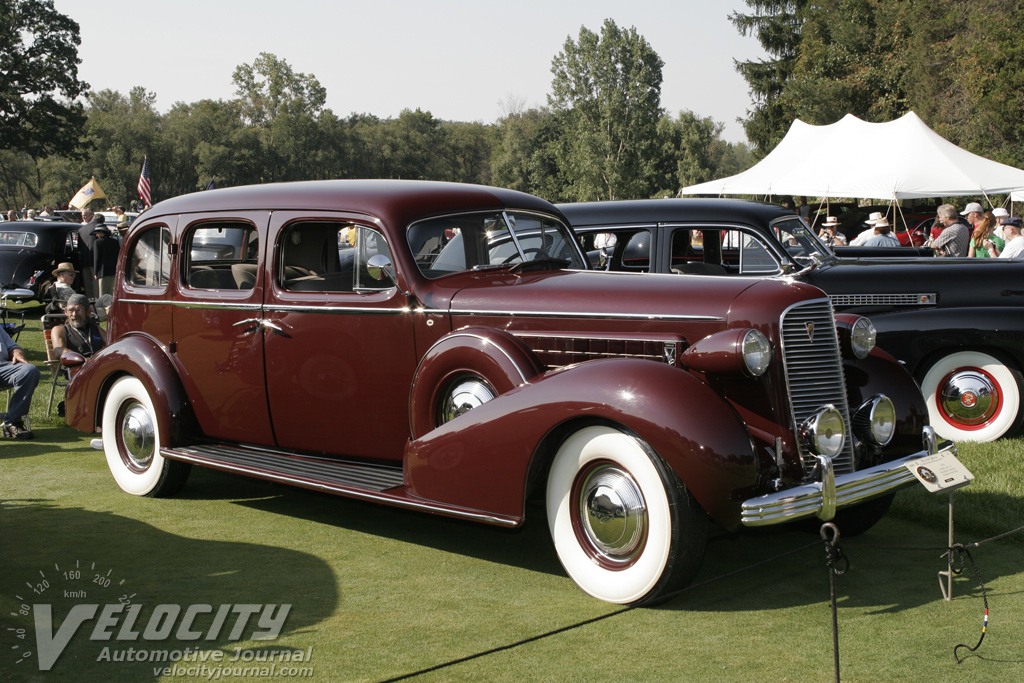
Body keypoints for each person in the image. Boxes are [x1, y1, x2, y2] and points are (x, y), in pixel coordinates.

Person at [1, 322, 40, 439]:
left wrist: (16, 351)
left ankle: (12, 422)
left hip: (3, 368)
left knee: (29, 370)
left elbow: (12, 346)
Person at [50, 294, 106, 359]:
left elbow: (112, 345)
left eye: (79, 310)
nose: (74, 314)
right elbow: (59, 351)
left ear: (88, 311)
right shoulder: (60, 330)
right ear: (65, 311)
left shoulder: (96, 329)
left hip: (98, 365)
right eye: (71, 310)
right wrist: (81, 359)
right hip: (75, 366)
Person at [92, 225, 120, 297]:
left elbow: (97, 258)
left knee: (103, 293)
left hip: (102, 271)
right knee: (112, 292)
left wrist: (95, 272)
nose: (96, 235)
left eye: (97, 233)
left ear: (101, 232)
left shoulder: (97, 242)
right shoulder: (115, 242)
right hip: (114, 270)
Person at [77, 209, 99, 298]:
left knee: (88, 284)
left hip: (84, 259)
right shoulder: (97, 228)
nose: (84, 217)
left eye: (85, 215)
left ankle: (90, 302)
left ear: (91, 215)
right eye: (83, 215)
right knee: (95, 284)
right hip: (95, 260)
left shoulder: (81, 229)